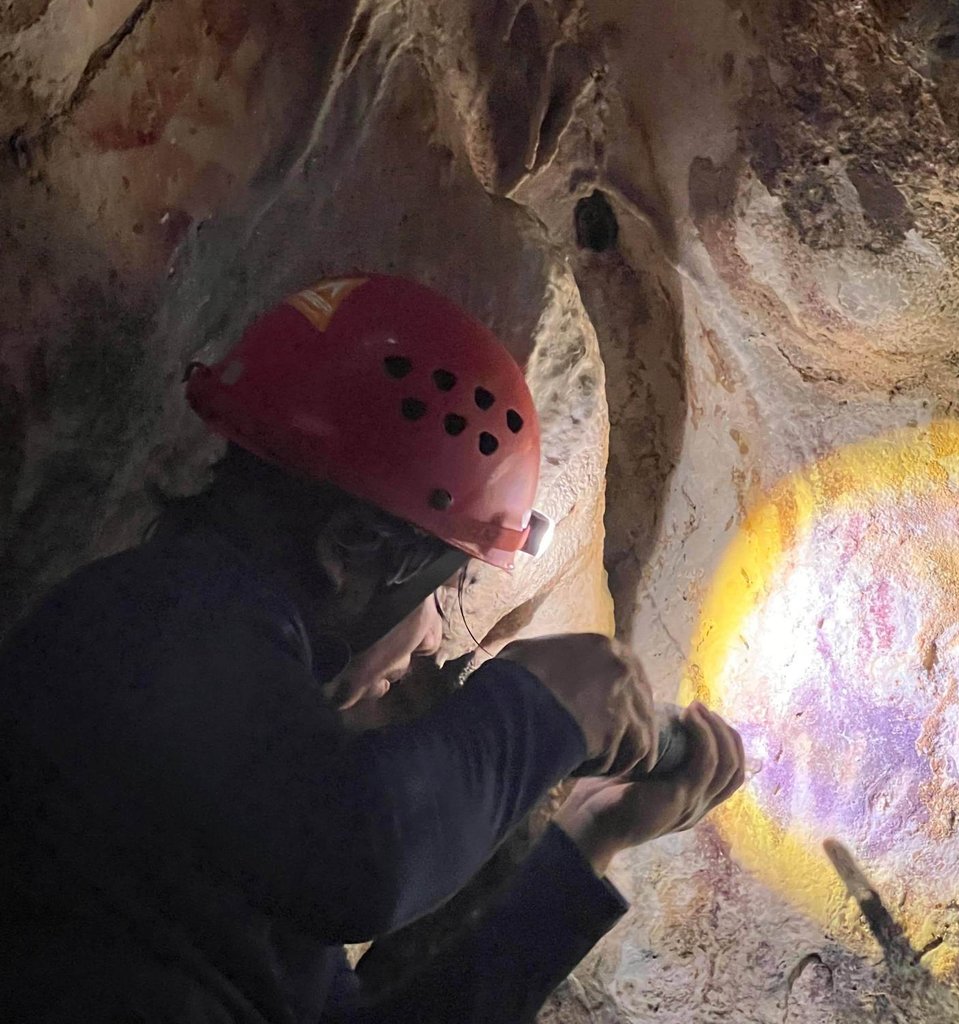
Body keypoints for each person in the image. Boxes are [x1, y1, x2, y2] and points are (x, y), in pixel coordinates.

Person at [0, 273, 744, 1024]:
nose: (432, 638)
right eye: (441, 590)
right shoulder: (146, 630)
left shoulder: (251, 747)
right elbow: (352, 859)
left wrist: (584, 848)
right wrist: (539, 705)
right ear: (350, 549)